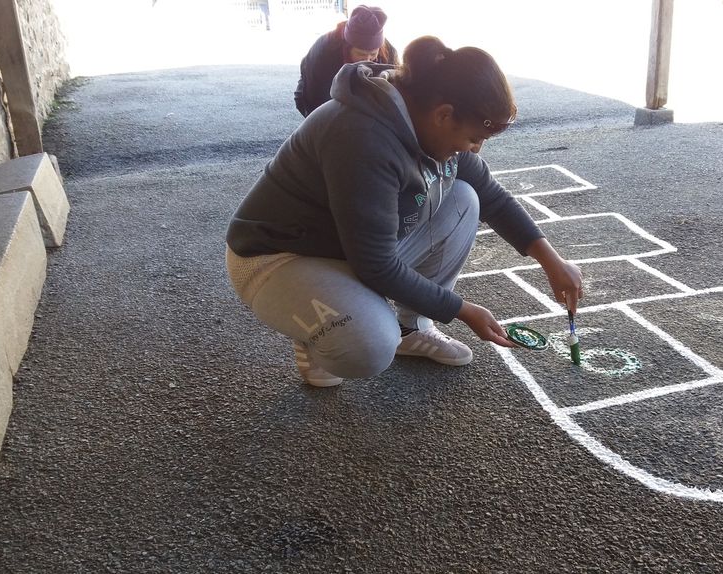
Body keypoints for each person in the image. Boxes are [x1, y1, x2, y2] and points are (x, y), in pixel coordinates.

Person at [226, 36, 584, 387]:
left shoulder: (425, 118)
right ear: (444, 115)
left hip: (343, 246)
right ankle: (314, 336)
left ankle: (410, 329)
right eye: (476, 138)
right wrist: (461, 310)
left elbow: (493, 197)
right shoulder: (362, 136)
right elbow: (376, 265)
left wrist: (553, 262)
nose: (474, 149)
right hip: (278, 257)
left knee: (464, 198)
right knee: (368, 346)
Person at [293, 5, 399, 117]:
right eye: (361, 54)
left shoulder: (388, 51)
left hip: (357, 88)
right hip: (314, 89)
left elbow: (395, 90)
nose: (368, 59)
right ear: (348, 46)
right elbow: (316, 98)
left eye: (373, 54)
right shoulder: (325, 52)